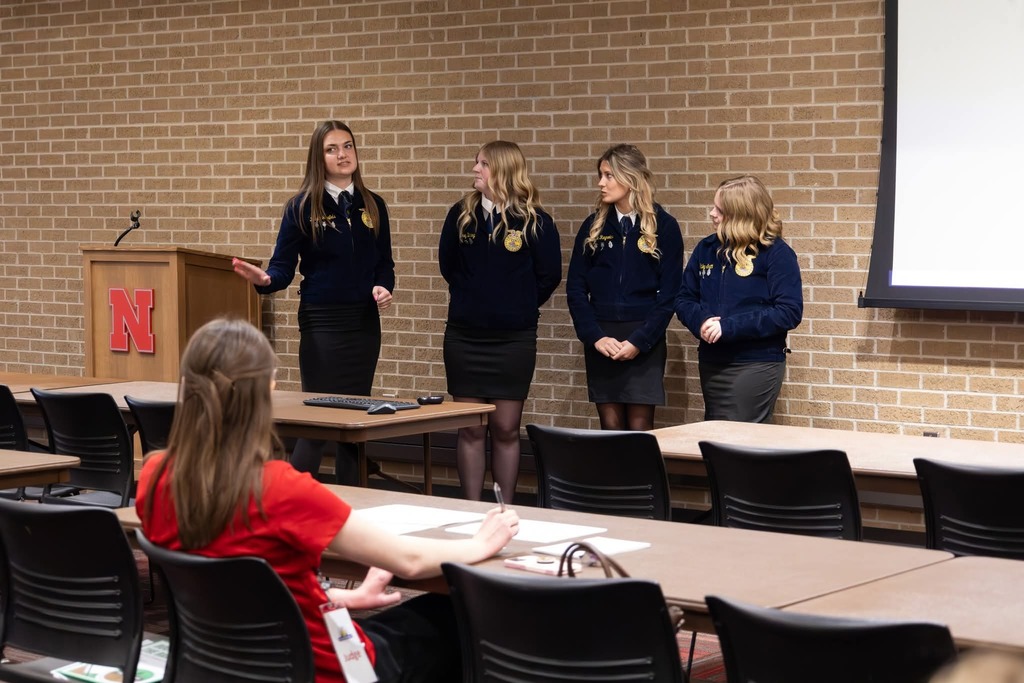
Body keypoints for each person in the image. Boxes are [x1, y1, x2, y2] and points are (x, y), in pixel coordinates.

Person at [137, 318, 519, 683]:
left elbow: (233, 585)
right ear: (266, 391)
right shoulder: (281, 489)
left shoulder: (155, 476)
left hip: (238, 664)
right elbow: (410, 561)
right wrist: (483, 542)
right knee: (461, 615)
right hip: (335, 670)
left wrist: (337, 596)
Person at [232, 120, 394, 485]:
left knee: (356, 421)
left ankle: (353, 505)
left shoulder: (374, 205)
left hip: (363, 324)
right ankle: (290, 501)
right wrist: (266, 280)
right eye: (332, 149)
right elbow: (282, 266)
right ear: (318, 158)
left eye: (348, 146)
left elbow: (385, 263)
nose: (342, 155)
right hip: (322, 322)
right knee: (320, 420)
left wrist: (384, 287)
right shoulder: (302, 206)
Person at [438, 140, 562, 501]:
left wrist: (516, 304)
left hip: (513, 341)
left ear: (503, 170)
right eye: (476, 163)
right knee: (471, 429)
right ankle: (472, 510)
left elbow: (549, 275)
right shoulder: (461, 215)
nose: (475, 169)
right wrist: (475, 298)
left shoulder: (535, 221)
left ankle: (505, 510)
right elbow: (449, 266)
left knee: (506, 428)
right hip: (464, 338)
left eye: (483, 164)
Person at [566, 144, 683, 431]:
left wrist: (639, 341)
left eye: (608, 175)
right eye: (601, 175)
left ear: (630, 178)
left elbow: (670, 295)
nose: (600, 183)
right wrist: (595, 336)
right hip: (603, 338)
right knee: (610, 429)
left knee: (640, 430)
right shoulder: (593, 226)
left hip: (643, 338)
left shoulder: (664, 226)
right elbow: (575, 288)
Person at [675, 175, 802, 423]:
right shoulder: (706, 249)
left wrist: (728, 327)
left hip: (756, 363)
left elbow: (788, 311)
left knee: (741, 436)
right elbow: (684, 299)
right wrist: (701, 321)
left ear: (740, 215)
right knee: (716, 432)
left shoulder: (776, 253)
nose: (712, 214)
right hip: (712, 360)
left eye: (720, 210)